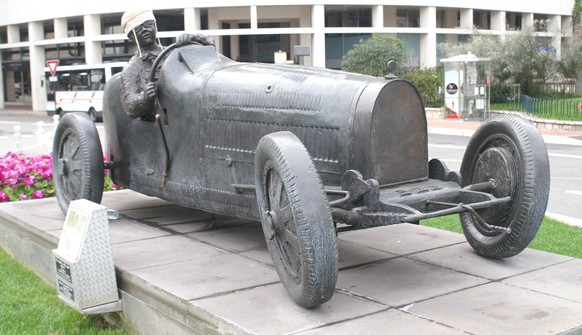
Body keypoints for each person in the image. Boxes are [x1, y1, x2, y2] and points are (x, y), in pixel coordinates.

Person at [120, 9, 214, 120]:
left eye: (148, 24)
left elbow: (210, 57)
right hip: (158, 125)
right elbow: (129, 106)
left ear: (155, 26)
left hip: (186, 113)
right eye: (138, 29)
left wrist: (196, 38)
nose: (145, 30)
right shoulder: (131, 69)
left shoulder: (174, 52)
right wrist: (144, 97)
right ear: (131, 36)